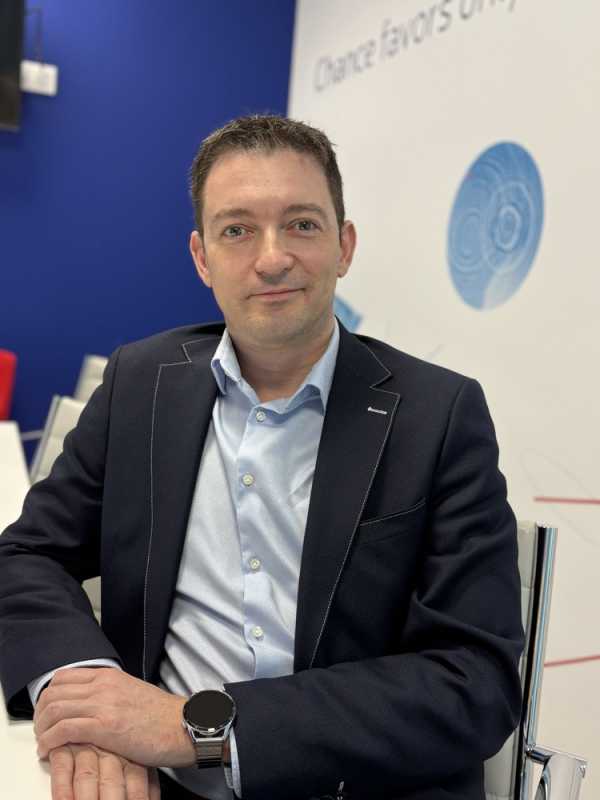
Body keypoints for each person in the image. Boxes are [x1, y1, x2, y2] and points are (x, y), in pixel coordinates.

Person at [0, 115, 524, 800]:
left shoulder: (438, 416)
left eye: (301, 224)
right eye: (237, 230)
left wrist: (196, 728)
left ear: (344, 245)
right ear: (202, 257)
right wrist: (85, 689)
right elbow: (28, 554)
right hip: (154, 783)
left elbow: (475, 681)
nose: (272, 258)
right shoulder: (141, 384)